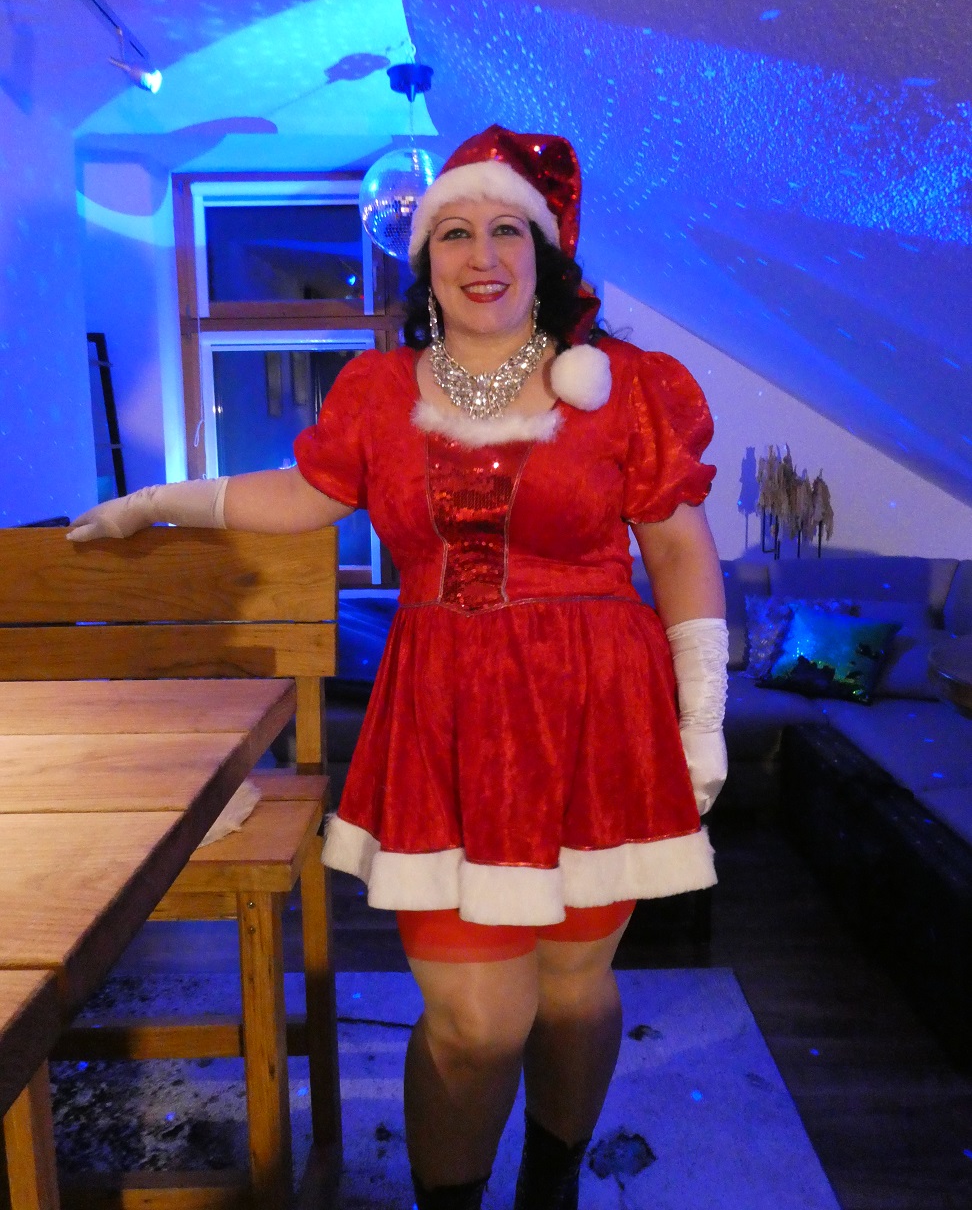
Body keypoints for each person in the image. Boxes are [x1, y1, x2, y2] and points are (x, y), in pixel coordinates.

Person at [68, 125, 728, 1210]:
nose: (482, 254)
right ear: (424, 261)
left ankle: (550, 1188)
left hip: (597, 716)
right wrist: (156, 501)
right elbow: (301, 493)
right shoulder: (379, 391)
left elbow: (681, 553)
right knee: (479, 1024)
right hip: (445, 717)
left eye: (506, 229)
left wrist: (700, 718)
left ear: (544, 253)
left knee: (573, 993)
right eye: (454, 232)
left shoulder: (628, 388)